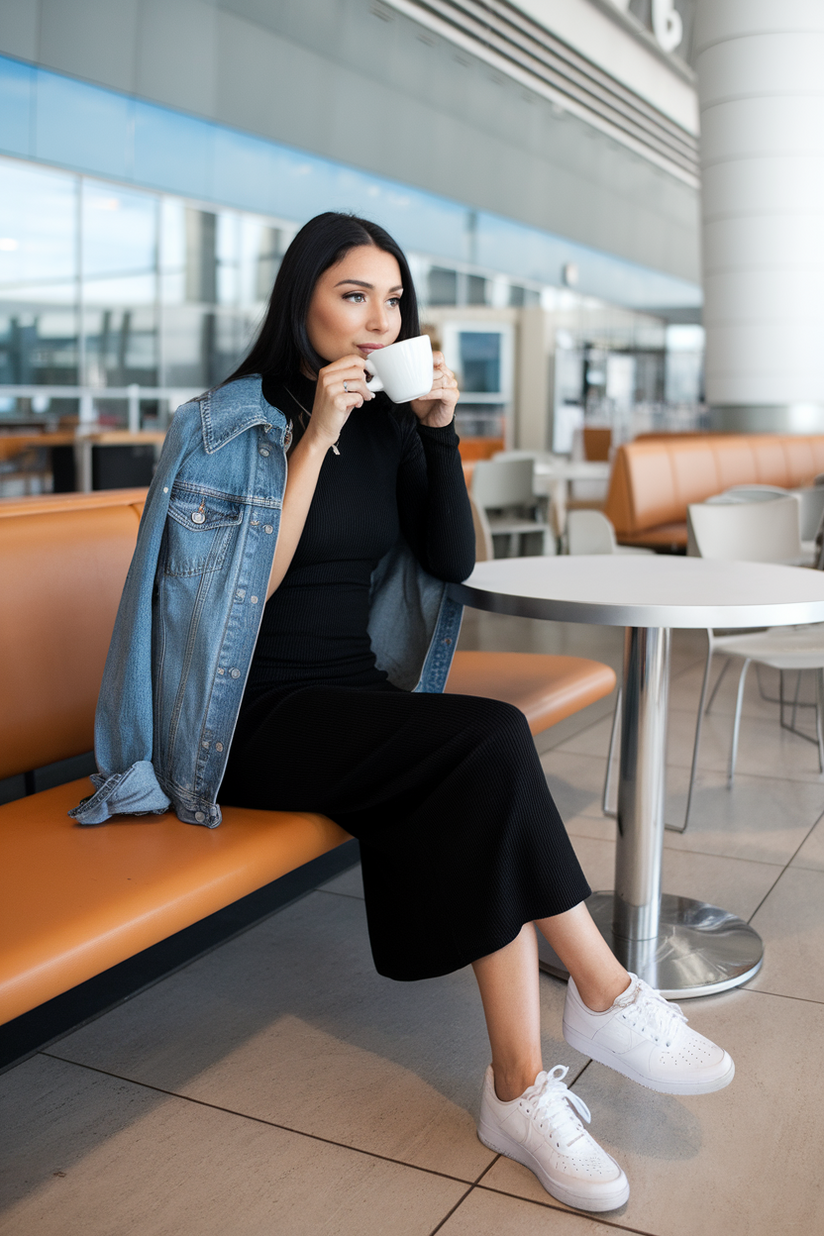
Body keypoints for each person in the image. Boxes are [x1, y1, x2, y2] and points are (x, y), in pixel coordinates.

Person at [74, 212, 734, 1215]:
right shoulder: (222, 423)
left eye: (392, 299)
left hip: (346, 703)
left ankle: (517, 1086)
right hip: (236, 720)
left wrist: (436, 435)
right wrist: (317, 437)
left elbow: (452, 562)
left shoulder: (390, 423)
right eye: (352, 295)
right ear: (299, 301)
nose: (378, 319)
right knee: (487, 741)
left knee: (476, 773)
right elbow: (238, 598)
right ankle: (601, 995)